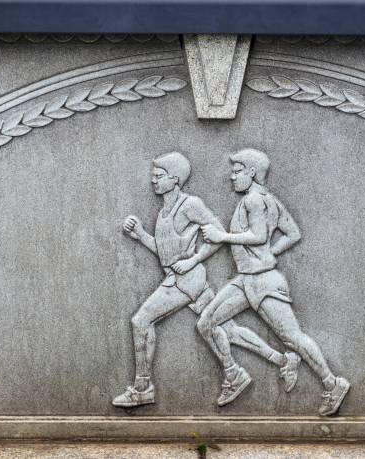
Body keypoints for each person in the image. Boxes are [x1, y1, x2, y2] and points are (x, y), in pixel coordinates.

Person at [113, 152, 300, 408]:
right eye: (152, 176)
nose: (152, 181)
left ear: (175, 178)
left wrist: (194, 260)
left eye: (158, 176)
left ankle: (143, 387)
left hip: (185, 280)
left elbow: (217, 235)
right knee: (226, 329)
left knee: (141, 321)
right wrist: (140, 235)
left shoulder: (190, 205)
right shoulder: (164, 210)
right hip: (178, 277)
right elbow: (166, 253)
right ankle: (281, 361)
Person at [198, 148, 350, 415]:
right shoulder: (271, 200)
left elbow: (257, 235)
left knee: (293, 337)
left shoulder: (254, 201)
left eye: (236, 172)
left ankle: (332, 383)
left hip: (264, 283)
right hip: (246, 280)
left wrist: (222, 237)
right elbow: (292, 233)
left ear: (252, 172)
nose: (232, 177)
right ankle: (234, 375)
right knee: (207, 323)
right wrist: (270, 254)